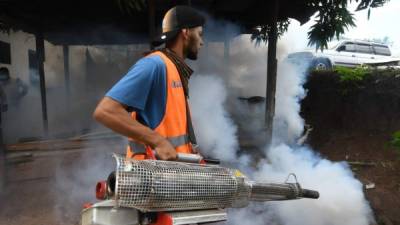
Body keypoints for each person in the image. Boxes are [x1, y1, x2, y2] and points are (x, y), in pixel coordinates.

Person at [93, 6, 205, 161]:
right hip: (151, 179)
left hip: (170, 177)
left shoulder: (174, 69)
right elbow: (105, 111)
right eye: (200, 34)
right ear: (185, 33)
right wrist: (158, 141)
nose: (202, 42)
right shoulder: (154, 65)